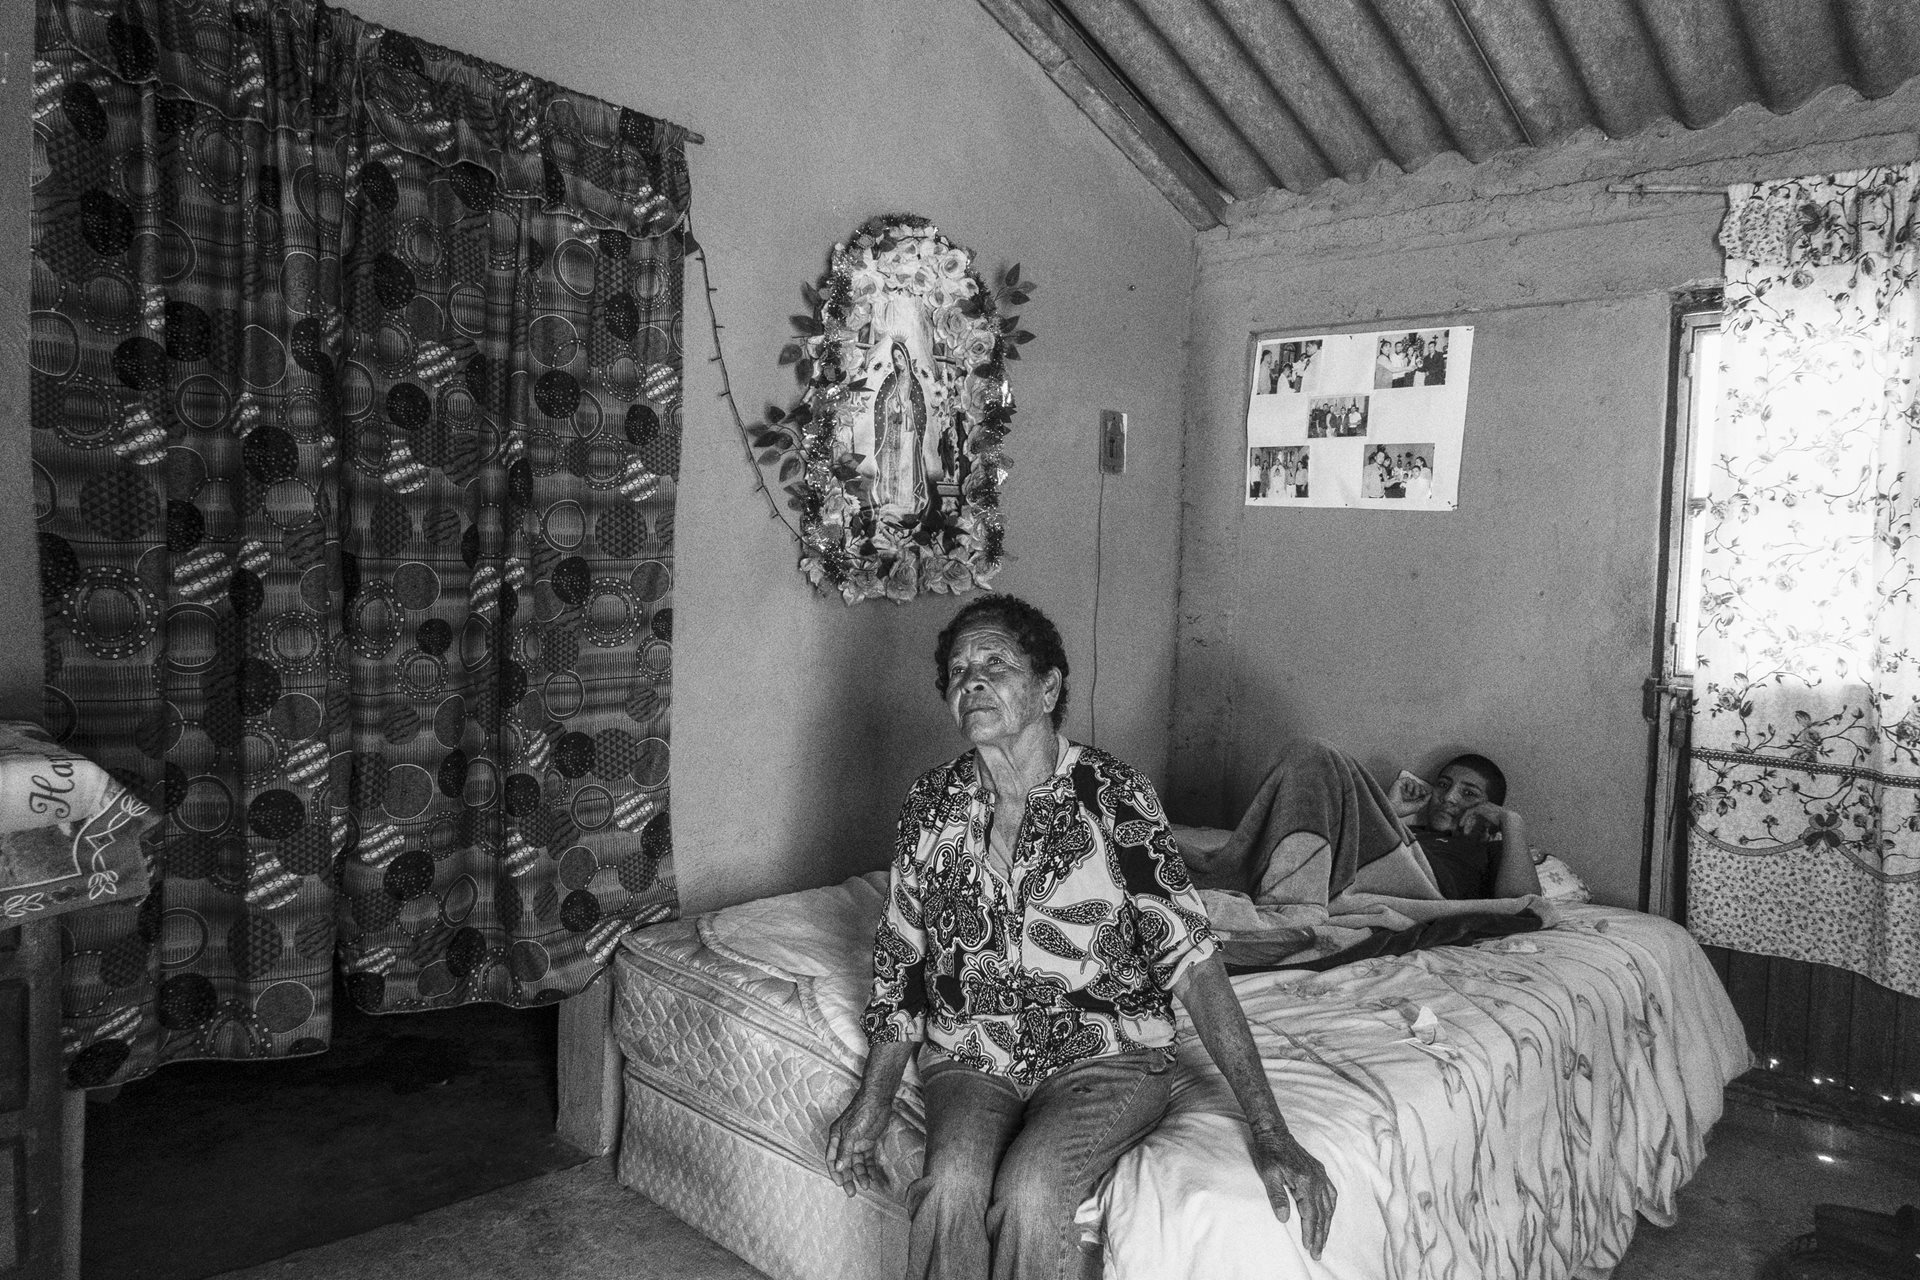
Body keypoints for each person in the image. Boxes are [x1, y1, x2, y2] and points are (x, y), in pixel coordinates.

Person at [826, 595, 1336, 1280]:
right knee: (949, 1188)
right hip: (972, 1053)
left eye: (994, 664)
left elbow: (1194, 966)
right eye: (957, 671)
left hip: (1109, 1058)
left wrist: (1273, 1132)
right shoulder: (931, 803)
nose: (969, 681)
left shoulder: (1112, 793)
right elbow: (902, 966)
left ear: (1047, 688)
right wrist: (875, 1098)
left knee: (1032, 1193)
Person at [1387, 753, 1541, 900]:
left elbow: (1524, 903)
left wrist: (1511, 821)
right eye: (1443, 784)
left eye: (1468, 793)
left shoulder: (1489, 850)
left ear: (1490, 810)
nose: (1449, 797)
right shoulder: (1403, 830)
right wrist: (1390, 810)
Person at [873, 339, 928, 510]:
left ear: (907, 358)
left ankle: (906, 503)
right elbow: (880, 402)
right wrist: (891, 404)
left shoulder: (914, 382)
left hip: (907, 429)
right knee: (890, 464)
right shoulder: (891, 380)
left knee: (905, 464)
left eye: (900, 358)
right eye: (895, 358)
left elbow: (920, 409)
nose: (898, 362)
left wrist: (907, 407)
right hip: (892, 428)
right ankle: (888, 502)